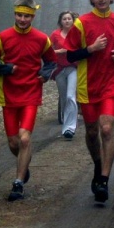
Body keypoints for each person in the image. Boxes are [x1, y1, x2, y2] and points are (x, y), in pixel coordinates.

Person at [65, 0, 114, 203]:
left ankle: (104, 180)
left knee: (106, 129)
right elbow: (70, 54)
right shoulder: (81, 23)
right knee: (92, 131)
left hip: (112, 82)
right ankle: (97, 164)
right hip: (88, 85)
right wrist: (91, 48)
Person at [0, 0, 56, 201]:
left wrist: (45, 74)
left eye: (26, 16)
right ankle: (24, 166)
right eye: (19, 15)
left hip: (31, 92)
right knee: (14, 142)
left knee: (25, 138)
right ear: (14, 14)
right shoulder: (3, 37)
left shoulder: (42, 38)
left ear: (33, 16)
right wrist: (7, 68)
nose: (22, 19)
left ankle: (17, 183)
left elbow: (52, 61)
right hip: (9, 94)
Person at [50, 11, 79, 139]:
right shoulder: (55, 34)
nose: (67, 21)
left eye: (69, 19)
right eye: (64, 19)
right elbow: (47, 50)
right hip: (59, 69)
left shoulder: (78, 34)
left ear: (73, 20)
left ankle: (69, 128)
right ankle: (64, 123)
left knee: (70, 96)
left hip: (73, 67)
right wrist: (59, 51)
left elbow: (82, 49)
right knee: (63, 97)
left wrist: (70, 51)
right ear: (60, 21)